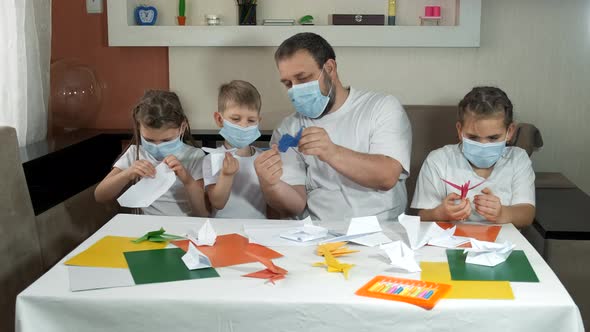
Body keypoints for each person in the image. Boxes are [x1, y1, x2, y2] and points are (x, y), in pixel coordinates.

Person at [254, 32, 412, 221]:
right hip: (316, 233)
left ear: (329, 68)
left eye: (303, 78)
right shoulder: (288, 128)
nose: (296, 90)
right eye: (288, 83)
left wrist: (332, 152)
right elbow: (294, 207)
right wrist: (270, 185)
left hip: (381, 231)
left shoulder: (381, 107)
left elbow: (387, 177)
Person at [411, 86, 535, 228]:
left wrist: (503, 213)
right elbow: (422, 216)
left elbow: (527, 214)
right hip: (450, 242)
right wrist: (440, 214)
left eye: (493, 138)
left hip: (504, 243)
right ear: (460, 130)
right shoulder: (439, 160)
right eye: (473, 137)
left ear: (510, 132)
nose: (483, 145)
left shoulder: (518, 159)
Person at [94, 90, 208, 217]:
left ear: (182, 127)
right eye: (149, 140)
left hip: (186, 227)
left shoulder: (194, 156)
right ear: (139, 127)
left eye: (166, 140)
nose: (157, 146)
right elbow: (100, 195)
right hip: (148, 230)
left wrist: (187, 180)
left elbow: (202, 213)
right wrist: (127, 174)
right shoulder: (134, 153)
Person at [202, 80, 268, 218]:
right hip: (223, 231)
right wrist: (226, 175)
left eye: (251, 120)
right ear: (220, 119)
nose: (244, 125)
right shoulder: (211, 159)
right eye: (236, 119)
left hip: (258, 230)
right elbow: (217, 203)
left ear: (258, 121)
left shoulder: (263, 159)